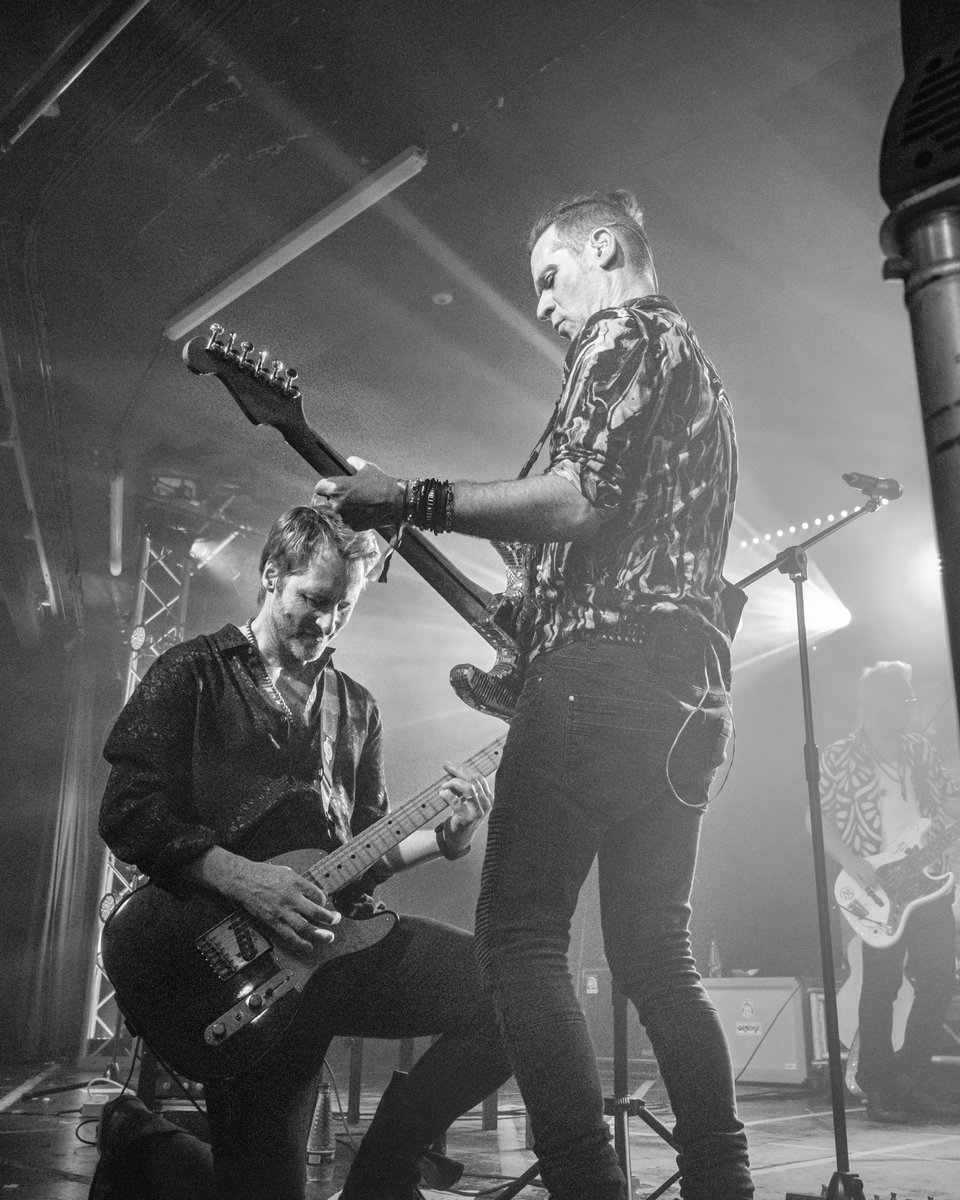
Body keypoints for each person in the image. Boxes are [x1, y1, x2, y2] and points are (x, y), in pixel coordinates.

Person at [313, 190, 754, 1200]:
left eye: (549, 276)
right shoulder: (700, 373)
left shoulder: (625, 331)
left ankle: (583, 1188)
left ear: (604, 247)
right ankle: (722, 1185)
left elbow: (580, 499)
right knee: (657, 959)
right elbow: (604, 537)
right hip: (690, 699)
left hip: (604, 676)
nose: (546, 305)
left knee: (519, 938)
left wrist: (416, 498)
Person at [91, 504, 512, 1200]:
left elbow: (364, 850)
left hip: (332, 948)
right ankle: (142, 1141)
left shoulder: (357, 707)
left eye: (343, 608)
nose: (326, 623)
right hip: (234, 968)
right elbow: (129, 812)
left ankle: (385, 1169)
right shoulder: (193, 674)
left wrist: (444, 840)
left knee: (507, 995)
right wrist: (249, 882)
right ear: (269, 576)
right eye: (313, 601)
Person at [818, 659, 960, 1124]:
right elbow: (815, 818)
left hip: (929, 884)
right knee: (880, 987)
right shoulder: (841, 755)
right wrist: (853, 863)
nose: (911, 707)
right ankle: (880, 1087)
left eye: (912, 698)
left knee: (939, 980)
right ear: (875, 702)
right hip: (875, 885)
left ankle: (908, 1080)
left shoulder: (918, 749)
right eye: (903, 698)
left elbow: (947, 802)